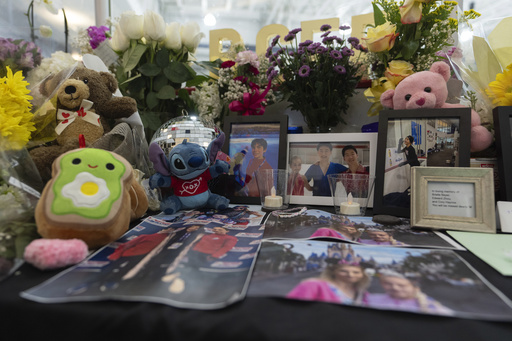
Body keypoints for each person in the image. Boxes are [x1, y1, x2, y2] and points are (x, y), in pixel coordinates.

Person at [365, 270, 453, 315]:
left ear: (416, 287)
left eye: (402, 285)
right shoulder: (370, 298)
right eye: (388, 284)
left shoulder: (433, 307)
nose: (395, 288)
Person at [287, 259, 370, 305]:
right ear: (333, 271)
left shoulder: (362, 293)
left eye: (356, 272)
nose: (350, 275)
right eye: (343, 271)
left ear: (363, 275)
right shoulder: (313, 285)